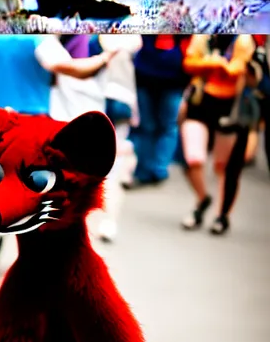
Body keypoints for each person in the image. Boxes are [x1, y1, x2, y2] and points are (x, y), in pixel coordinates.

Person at [35, 25, 129, 240]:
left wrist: (106, 56)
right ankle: (81, 223)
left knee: (104, 173)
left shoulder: (99, 38)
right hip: (72, 115)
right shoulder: (54, 39)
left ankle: (105, 221)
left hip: (96, 113)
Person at [180, 30, 258, 232]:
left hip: (229, 107)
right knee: (193, 157)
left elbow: (234, 70)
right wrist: (216, 64)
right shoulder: (203, 35)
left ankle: (221, 216)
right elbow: (189, 64)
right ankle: (202, 199)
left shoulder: (242, 39)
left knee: (222, 166)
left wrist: (209, 63)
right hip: (200, 101)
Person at [128, 31, 188, 185]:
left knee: (167, 125)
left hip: (174, 77)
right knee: (147, 125)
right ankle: (144, 171)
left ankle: (159, 169)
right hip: (145, 73)